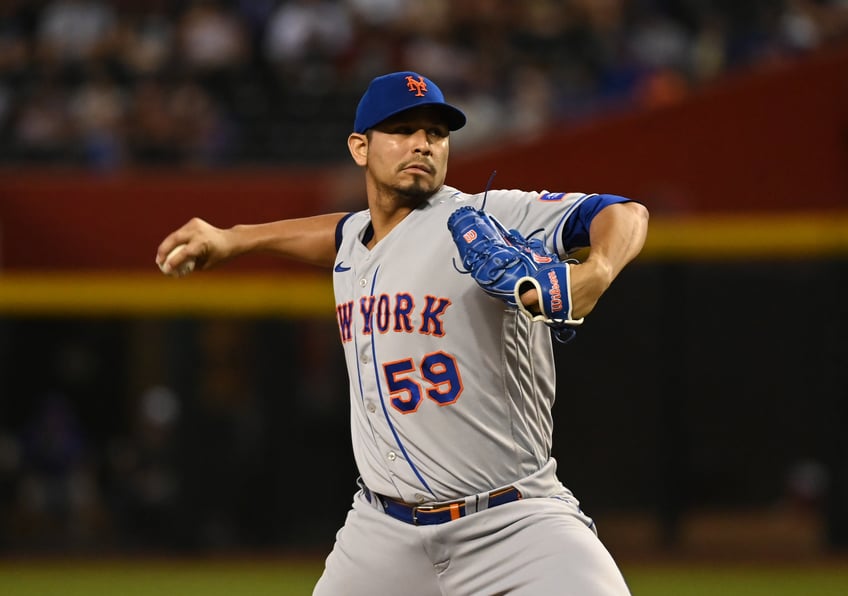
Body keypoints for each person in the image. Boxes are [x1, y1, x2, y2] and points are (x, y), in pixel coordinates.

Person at [156, 71, 649, 595]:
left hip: (512, 521)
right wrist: (234, 238)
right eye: (402, 129)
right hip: (381, 533)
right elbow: (338, 232)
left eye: (436, 133)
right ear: (360, 147)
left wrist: (595, 271)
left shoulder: (485, 216)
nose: (422, 143)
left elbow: (622, 212)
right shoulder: (356, 240)